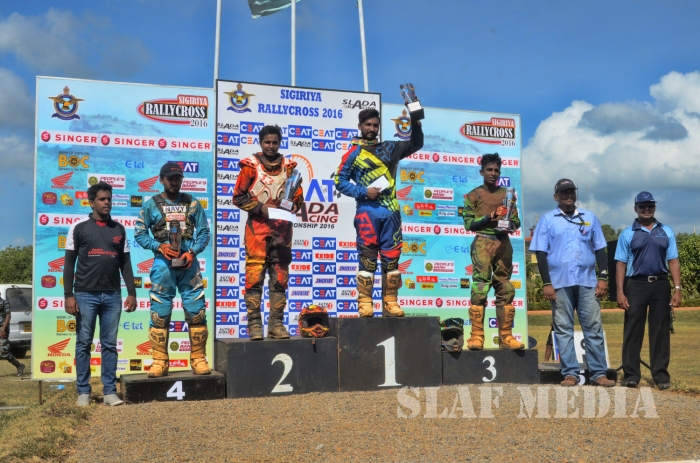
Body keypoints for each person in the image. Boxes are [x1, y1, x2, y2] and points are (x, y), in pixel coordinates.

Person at [334, 107, 423, 317]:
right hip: (367, 213)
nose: (372, 129)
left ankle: (391, 303)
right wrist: (364, 192)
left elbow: (416, 144)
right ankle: (365, 303)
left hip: (391, 213)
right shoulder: (353, 153)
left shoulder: (389, 148)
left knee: (392, 260)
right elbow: (339, 181)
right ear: (360, 127)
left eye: (375, 125)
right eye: (368, 125)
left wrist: (415, 121)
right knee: (367, 259)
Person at [529, 179, 615, 387]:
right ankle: (570, 374)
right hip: (559, 282)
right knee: (563, 328)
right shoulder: (548, 220)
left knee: (593, 327)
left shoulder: (589, 217)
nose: (568, 195)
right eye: (563, 192)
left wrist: (603, 277)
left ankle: (598, 374)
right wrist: (546, 283)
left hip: (587, 281)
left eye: (571, 191)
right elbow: (541, 253)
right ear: (555, 196)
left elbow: (600, 249)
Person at [64, 182, 137, 406]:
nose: (107, 202)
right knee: (84, 342)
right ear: (91, 202)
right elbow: (69, 263)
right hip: (85, 294)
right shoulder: (78, 228)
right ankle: (83, 392)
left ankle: (109, 392)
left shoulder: (119, 229)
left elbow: (125, 263)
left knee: (110, 344)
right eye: (102, 199)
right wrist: (68, 295)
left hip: (113, 295)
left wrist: (132, 292)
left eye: (109, 199)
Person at [134, 162, 211, 376]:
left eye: (178, 178)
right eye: (170, 178)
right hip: (163, 264)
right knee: (160, 312)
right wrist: (159, 246)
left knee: (196, 312)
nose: (175, 182)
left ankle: (198, 359)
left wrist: (192, 252)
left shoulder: (193, 203)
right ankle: (159, 362)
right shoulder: (151, 205)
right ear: (161, 180)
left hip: (188, 263)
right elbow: (139, 234)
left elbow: (204, 232)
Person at [232, 125, 304, 341]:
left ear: (280, 143)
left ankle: (276, 324)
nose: (271, 146)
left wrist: (293, 205)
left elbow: (298, 198)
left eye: (275, 142)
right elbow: (238, 197)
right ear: (260, 143)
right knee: (254, 276)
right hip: (257, 230)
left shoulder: (290, 168)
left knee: (280, 277)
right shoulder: (250, 167)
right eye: (267, 142)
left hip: (282, 230)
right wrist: (259, 208)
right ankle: (254, 325)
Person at [614, 191, 680, 390]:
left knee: (660, 330)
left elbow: (673, 261)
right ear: (636, 208)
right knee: (633, 330)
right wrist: (620, 292)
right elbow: (620, 264)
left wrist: (677, 289)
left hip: (661, 284)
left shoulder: (666, 231)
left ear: (654, 207)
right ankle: (631, 375)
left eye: (650, 205)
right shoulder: (627, 234)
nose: (646, 209)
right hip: (636, 285)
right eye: (642, 206)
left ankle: (661, 376)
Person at [462, 153, 523, 350]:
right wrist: (491, 216)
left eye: (496, 170)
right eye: (489, 169)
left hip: (503, 242)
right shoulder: (473, 195)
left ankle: (506, 337)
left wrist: (510, 225)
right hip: (483, 242)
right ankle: (476, 336)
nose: (493, 173)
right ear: (482, 172)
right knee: (480, 287)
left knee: (505, 288)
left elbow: (516, 221)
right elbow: (469, 224)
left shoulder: (507, 194)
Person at [0, 297, 25, 376]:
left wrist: (3, 329)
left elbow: (8, 316)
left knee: (4, 352)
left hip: (2, 329)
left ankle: (19, 366)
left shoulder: (5, 303)